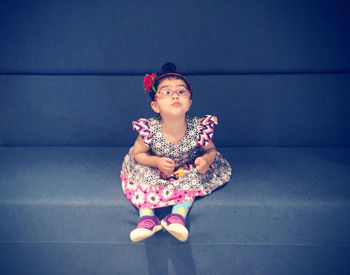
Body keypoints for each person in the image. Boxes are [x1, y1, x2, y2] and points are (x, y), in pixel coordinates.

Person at [120, 63, 231, 242]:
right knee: (142, 171)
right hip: (156, 167)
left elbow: (211, 150)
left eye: (181, 91)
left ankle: (177, 217)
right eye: (166, 92)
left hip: (185, 168)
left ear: (189, 103)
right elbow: (139, 154)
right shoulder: (150, 129)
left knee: (196, 174)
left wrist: (206, 160)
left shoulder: (197, 128)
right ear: (156, 106)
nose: (174, 95)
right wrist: (156, 162)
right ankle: (147, 217)